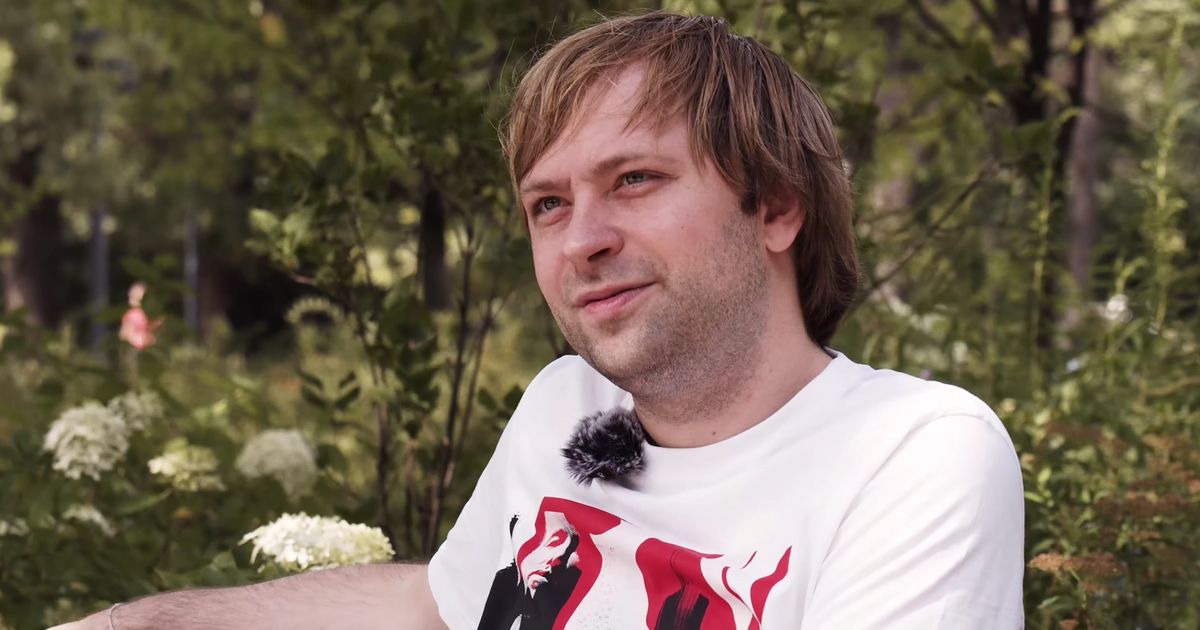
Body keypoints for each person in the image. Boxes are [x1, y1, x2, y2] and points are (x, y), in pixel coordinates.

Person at [54, 12, 1024, 630]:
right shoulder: (569, 405)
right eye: (547, 204)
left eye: (634, 179)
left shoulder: (909, 453)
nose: (581, 241)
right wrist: (146, 623)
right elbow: (435, 606)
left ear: (774, 207)